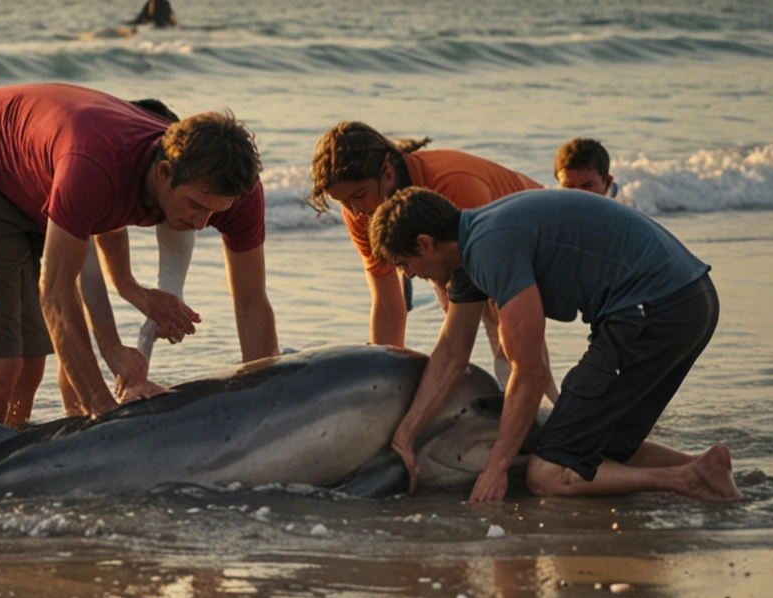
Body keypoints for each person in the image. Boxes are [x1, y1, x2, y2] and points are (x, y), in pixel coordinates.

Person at [0, 83, 276, 427]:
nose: (202, 224)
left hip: (45, 168)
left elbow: (251, 303)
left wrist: (269, 403)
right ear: (164, 173)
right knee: (5, 364)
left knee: (32, 366)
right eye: (196, 207)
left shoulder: (233, 189)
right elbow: (56, 292)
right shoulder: (95, 166)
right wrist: (103, 408)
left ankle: (22, 472)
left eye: (215, 212)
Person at [369, 187, 741, 503]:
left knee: (546, 473)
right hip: (690, 299)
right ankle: (706, 466)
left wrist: (496, 469)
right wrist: (404, 436)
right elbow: (451, 353)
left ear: (426, 243)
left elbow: (529, 373)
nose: (409, 275)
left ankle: (686, 479)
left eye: (405, 263)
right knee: (597, 445)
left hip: (653, 310)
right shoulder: (475, 247)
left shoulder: (490, 247)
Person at [309, 121, 557, 400]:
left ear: (387, 170)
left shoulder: (452, 184)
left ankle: (541, 418)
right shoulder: (360, 212)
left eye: (359, 196)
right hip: (481, 257)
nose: (355, 211)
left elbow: (481, 304)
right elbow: (389, 304)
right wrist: (380, 388)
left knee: (493, 319)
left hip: (548, 244)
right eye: (343, 202)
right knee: (454, 311)